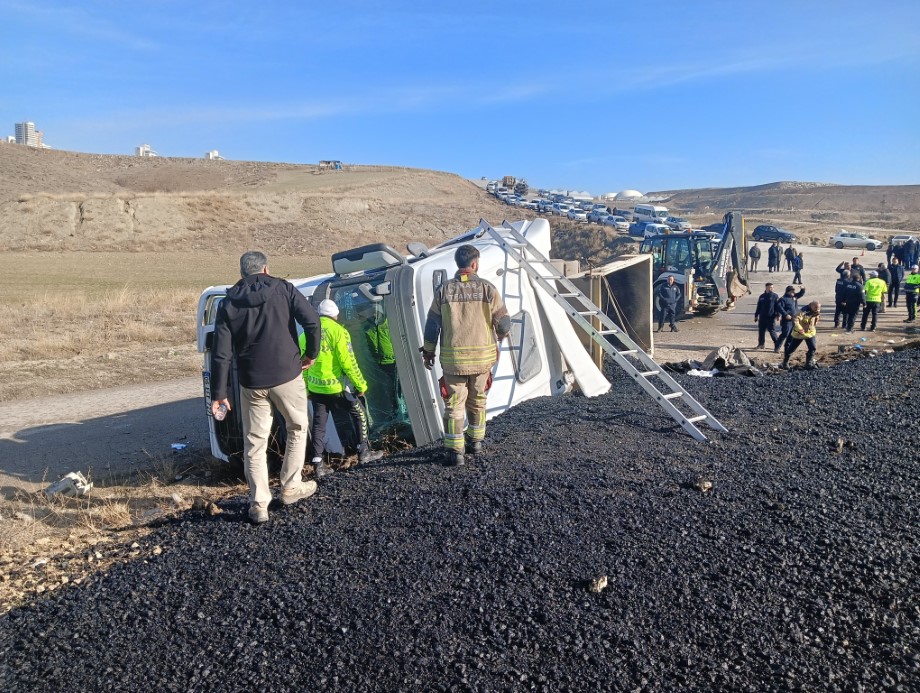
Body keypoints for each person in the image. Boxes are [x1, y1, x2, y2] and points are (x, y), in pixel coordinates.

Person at [210, 251, 322, 524]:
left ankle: (259, 503)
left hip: (251, 382)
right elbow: (312, 321)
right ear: (266, 268)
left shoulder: (228, 303)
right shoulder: (283, 288)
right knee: (297, 427)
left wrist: (219, 394)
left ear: (242, 273)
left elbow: (221, 353)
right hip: (287, 374)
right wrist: (311, 353)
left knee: (255, 442)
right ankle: (291, 487)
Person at [421, 244, 511, 466]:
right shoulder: (488, 289)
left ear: (458, 264)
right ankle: (476, 442)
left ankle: (455, 452)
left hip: (454, 363)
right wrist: (502, 334)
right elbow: (504, 321)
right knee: (478, 400)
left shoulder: (443, 291)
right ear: (475, 264)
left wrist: (429, 352)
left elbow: (432, 325)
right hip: (482, 360)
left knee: (454, 405)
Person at [305, 299, 385, 479]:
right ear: (335, 315)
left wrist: (306, 389)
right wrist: (361, 384)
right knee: (359, 414)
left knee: (319, 425)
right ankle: (363, 453)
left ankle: (318, 464)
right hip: (338, 388)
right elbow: (348, 362)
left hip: (317, 389)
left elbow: (302, 364)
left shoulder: (307, 333)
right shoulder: (339, 332)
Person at [781, 301, 821, 370]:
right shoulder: (803, 311)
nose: (817, 309)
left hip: (810, 332)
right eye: (815, 308)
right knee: (791, 348)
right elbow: (795, 320)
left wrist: (816, 322)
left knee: (812, 348)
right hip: (800, 333)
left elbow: (817, 316)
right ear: (811, 305)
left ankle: (809, 363)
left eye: (818, 308)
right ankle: (785, 362)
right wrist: (800, 329)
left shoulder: (816, 310)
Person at [774, 284, 806, 353]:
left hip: (795, 319)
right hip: (787, 320)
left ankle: (787, 348)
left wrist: (803, 289)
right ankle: (777, 347)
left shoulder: (794, 297)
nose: (793, 293)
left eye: (793, 291)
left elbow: (801, 294)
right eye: (791, 291)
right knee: (785, 333)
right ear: (787, 291)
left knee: (792, 334)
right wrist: (785, 314)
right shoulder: (783, 299)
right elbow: (779, 308)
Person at [753, 282, 780, 349]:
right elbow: (759, 306)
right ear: (766, 287)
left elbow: (777, 306)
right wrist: (756, 315)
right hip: (762, 317)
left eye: (772, 287)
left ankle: (777, 345)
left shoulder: (775, 296)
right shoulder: (762, 296)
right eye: (770, 287)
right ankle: (761, 344)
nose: (772, 288)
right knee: (761, 331)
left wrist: (778, 315)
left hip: (771, 317)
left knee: (772, 331)